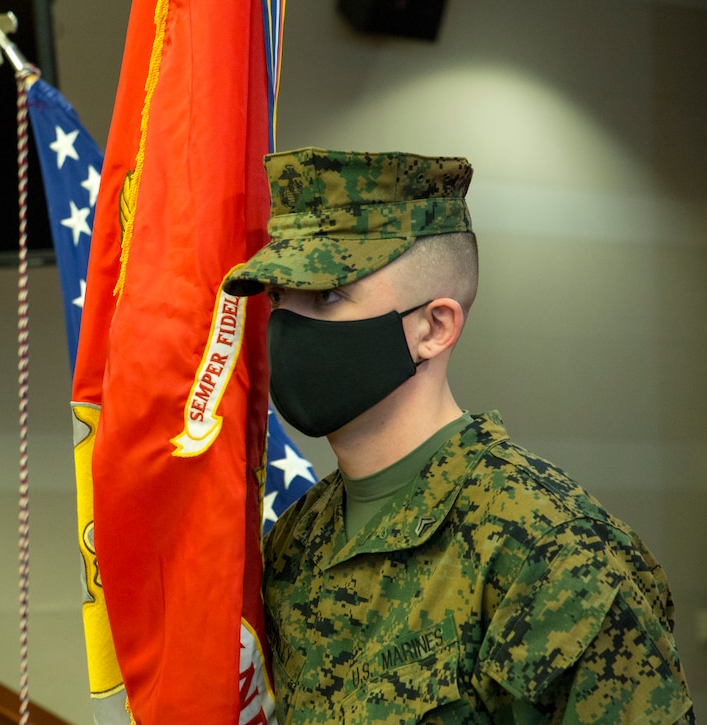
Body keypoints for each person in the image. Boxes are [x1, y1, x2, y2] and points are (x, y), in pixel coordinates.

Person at [223, 148, 695, 723]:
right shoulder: (295, 545)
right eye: (278, 298)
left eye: (327, 296)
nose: (288, 327)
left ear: (434, 327)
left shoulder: (550, 552)